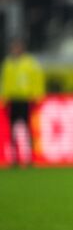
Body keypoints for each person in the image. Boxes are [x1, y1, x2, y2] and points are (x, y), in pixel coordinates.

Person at [0, 38, 45, 167]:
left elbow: (37, 79)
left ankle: (29, 157)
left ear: (22, 49)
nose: (15, 50)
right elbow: (4, 82)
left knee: (27, 129)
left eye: (17, 47)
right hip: (12, 100)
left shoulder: (30, 63)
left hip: (26, 99)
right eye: (13, 47)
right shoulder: (8, 64)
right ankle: (14, 158)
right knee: (12, 130)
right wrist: (3, 97)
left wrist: (37, 95)